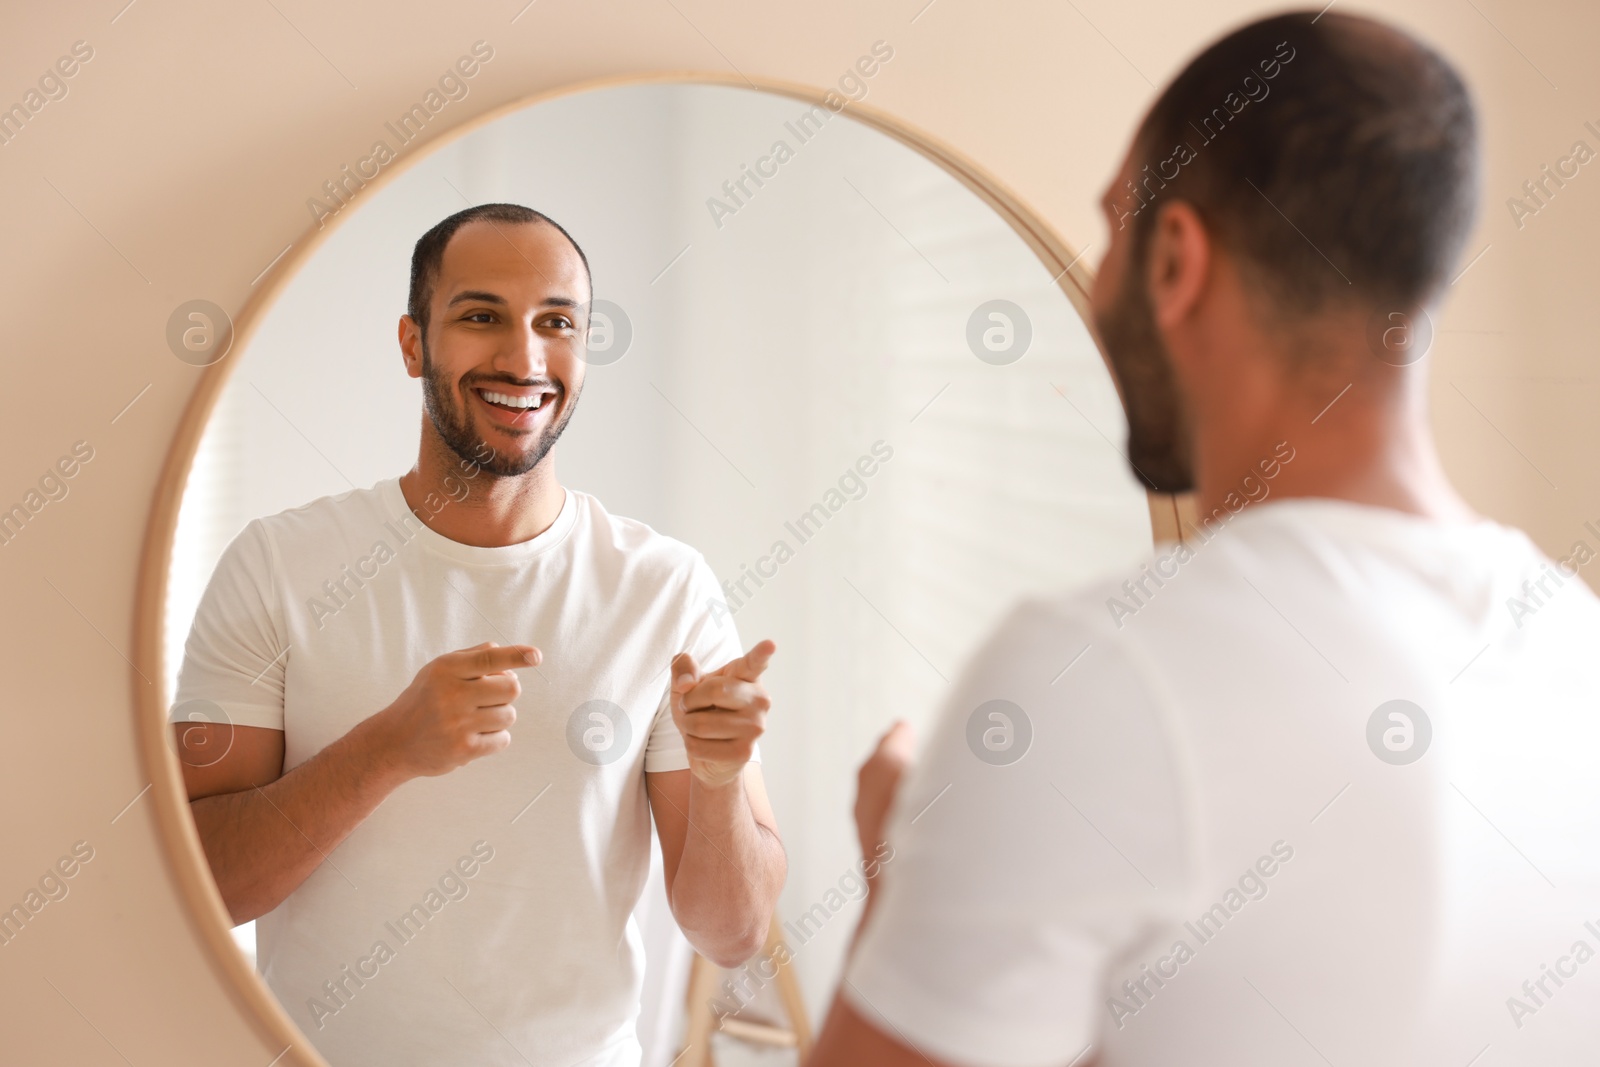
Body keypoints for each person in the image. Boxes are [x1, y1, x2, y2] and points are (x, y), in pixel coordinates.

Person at [811, 11, 1600, 1066]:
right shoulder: (1575, 652)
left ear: (1176, 257)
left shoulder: (1098, 674)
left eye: (1113, 230)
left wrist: (897, 899)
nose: (1098, 287)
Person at [172, 204, 786, 1067]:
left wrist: (718, 783)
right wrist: (385, 749)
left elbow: (732, 934)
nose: (524, 359)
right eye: (480, 315)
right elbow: (200, 886)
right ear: (413, 343)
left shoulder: (665, 590)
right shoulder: (278, 565)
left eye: (557, 323)